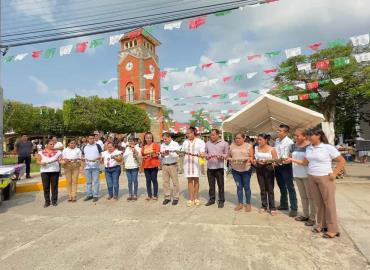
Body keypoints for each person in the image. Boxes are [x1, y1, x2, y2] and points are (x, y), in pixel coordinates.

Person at [288, 128, 346, 239]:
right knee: (318, 203)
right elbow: (305, 163)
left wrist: (334, 174)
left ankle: (333, 229)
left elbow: (342, 161)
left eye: (311, 136)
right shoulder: (309, 148)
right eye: (308, 136)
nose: (309, 138)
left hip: (325, 177)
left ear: (318, 135)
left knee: (329, 204)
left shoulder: (327, 147)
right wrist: (291, 160)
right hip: (311, 177)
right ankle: (321, 225)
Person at [289, 129, 315, 226]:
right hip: (297, 174)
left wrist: (291, 159)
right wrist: (284, 160)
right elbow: (290, 157)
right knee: (303, 196)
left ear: (304, 136)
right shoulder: (293, 146)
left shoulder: (310, 147)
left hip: (307, 174)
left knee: (311, 197)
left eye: (297, 136)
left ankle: (313, 217)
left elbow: (305, 162)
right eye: (294, 135)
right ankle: (305, 214)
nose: (295, 137)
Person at [274, 124, 298, 217]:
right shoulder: (276, 141)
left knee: (290, 187)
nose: (278, 132)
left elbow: (291, 155)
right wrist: (274, 161)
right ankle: (284, 204)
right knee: (281, 186)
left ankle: (294, 208)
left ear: (286, 132)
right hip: (277, 166)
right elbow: (275, 152)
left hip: (286, 166)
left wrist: (285, 161)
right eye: (278, 130)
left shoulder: (290, 142)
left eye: (280, 131)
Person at [228, 133, 254, 212]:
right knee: (239, 187)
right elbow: (228, 156)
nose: (237, 140)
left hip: (246, 170)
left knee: (246, 187)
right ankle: (240, 203)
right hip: (235, 170)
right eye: (236, 138)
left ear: (244, 138)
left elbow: (252, 157)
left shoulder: (249, 146)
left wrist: (247, 159)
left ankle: (248, 204)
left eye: (239, 138)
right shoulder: (232, 146)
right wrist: (230, 159)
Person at [254, 134, 278, 215]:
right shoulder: (256, 148)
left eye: (260, 139)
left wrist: (268, 162)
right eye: (258, 140)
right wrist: (257, 161)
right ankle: (264, 206)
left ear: (266, 140)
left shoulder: (272, 149)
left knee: (270, 189)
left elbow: (276, 161)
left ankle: (272, 207)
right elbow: (255, 159)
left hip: (269, 169)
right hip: (259, 169)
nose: (258, 141)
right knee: (263, 189)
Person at [181, 127, 205, 207]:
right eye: (187, 133)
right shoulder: (185, 142)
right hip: (187, 163)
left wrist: (202, 166)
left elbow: (202, 153)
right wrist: (180, 153)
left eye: (188, 133)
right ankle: (191, 198)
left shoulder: (200, 142)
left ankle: (196, 197)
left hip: (196, 163)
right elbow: (182, 152)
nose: (187, 135)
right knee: (189, 180)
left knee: (196, 180)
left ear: (193, 133)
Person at [205, 129, 229, 208]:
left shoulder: (224, 143)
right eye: (211, 135)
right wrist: (206, 156)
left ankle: (221, 200)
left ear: (218, 135)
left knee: (220, 185)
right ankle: (212, 199)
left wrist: (222, 156)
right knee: (211, 185)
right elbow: (205, 153)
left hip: (219, 167)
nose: (211, 136)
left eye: (213, 135)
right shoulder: (207, 143)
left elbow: (227, 154)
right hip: (210, 167)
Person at [36, 139, 62, 207]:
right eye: (51, 144)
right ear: (46, 145)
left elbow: (60, 161)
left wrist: (65, 161)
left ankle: (54, 201)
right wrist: (41, 163)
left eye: (53, 144)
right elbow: (38, 161)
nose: (52, 145)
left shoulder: (58, 152)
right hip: (44, 172)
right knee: (46, 187)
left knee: (54, 187)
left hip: (55, 171)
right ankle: (47, 202)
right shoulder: (41, 152)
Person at [160, 132, 181, 206]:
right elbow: (160, 155)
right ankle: (167, 197)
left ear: (169, 138)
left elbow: (177, 154)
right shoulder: (162, 145)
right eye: (163, 139)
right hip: (165, 165)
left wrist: (169, 153)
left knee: (175, 182)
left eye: (165, 139)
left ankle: (176, 198)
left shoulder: (175, 144)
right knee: (165, 182)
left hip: (173, 165)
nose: (164, 140)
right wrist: (162, 155)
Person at [82, 134, 103, 202]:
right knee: (88, 182)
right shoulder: (85, 146)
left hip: (95, 166)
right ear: (88, 139)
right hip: (87, 167)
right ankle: (89, 195)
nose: (91, 139)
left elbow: (101, 155)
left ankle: (95, 195)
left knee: (96, 181)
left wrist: (99, 159)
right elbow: (82, 156)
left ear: (94, 139)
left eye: (93, 138)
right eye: (90, 138)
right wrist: (83, 160)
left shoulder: (97, 146)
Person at [141, 132, 160, 201]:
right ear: (145, 139)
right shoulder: (143, 147)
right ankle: (149, 195)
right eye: (147, 138)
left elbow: (157, 154)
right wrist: (143, 157)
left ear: (152, 138)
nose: (149, 139)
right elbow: (142, 155)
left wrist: (152, 155)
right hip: (146, 166)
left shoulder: (155, 145)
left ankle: (155, 195)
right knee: (148, 181)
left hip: (154, 165)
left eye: (150, 138)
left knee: (154, 180)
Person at [123, 137, 142, 201]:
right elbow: (124, 157)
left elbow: (139, 156)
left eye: (132, 141)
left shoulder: (138, 148)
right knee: (129, 181)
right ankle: (130, 194)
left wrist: (135, 151)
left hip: (134, 166)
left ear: (135, 142)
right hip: (127, 167)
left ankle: (135, 194)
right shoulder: (126, 149)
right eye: (129, 141)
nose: (131, 142)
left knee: (135, 181)